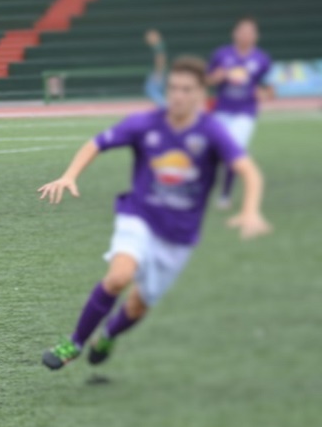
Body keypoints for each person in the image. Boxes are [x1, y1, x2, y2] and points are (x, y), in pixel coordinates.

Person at [37, 56, 272, 370]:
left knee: (137, 305)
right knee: (119, 277)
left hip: (179, 235)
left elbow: (248, 171)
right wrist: (69, 175)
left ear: (201, 94)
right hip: (139, 216)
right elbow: (97, 143)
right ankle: (75, 342)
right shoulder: (144, 123)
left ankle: (107, 335)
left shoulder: (212, 131)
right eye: (173, 88)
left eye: (186, 89)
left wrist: (251, 210)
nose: (178, 95)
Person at [208, 17, 273, 209]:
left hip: (245, 112)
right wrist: (217, 77)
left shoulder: (262, 59)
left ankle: (225, 194)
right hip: (222, 110)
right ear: (234, 33)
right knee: (213, 152)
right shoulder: (221, 55)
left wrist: (263, 93)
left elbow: (270, 90)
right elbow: (207, 80)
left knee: (234, 149)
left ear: (256, 36)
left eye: (249, 32)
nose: (245, 35)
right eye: (242, 31)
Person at [144, 29, 167, 107]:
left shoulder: (158, 47)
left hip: (157, 72)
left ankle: (164, 106)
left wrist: (158, 73)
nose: (147, 39)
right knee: (154, 90)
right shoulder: (157, 46)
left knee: (151, 90)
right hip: (158, 72)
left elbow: (160, 60)